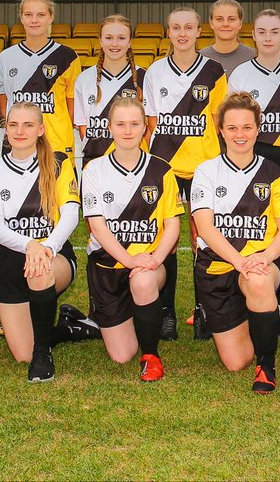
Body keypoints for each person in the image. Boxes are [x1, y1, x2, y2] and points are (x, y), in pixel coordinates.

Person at [190, 92, 280, 393]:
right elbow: (206, 228)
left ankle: (266, 365)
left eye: (247, 127)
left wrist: (265, 257)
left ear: (258, 129)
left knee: (260, 281)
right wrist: (238, 262)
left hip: (259, 265)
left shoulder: (274, 174)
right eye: (233, 128)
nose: (240, 135)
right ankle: (254, 318)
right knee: (236, 361)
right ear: (221, 130)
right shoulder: (206, 172)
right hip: (219, 268)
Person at [0, 101, 81, 382]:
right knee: (21, 352)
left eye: (28, 125)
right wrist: (30, 245)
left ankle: (43, 355)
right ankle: (70, 328)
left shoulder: (59, 163)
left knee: (39, 270)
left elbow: (71, 215)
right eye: (13, 125)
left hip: (53, 258)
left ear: (40, 129)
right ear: (5, 130)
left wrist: (46, 248)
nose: (20, 131)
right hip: (9, 264)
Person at [81, 96, 180, 382]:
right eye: (120, 124)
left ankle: (151, 357)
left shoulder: (162, 169)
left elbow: (172, 225)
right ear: (109, 127)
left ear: (145, 127)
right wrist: (128, 259)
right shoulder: (94, 170)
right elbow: (97, 227)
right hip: (107, 267)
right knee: (122, 354)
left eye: (134, 123)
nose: (127, 130)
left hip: (148, 265)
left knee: (143, 281)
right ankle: (87, 321)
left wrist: (153, 261)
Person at [144, 6, 226, 340]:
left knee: (204, 241)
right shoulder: (154, 72)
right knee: (167, 239)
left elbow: (221, 120)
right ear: (168, 32)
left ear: (198, 31)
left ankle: (204, 310)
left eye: (188, 27)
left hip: (205, 168)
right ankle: (167, 314)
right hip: (165, 169)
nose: (182, 33)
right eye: (175, 27)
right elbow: (151, 123)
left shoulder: (214, 71)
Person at [227, 8, 280, 343]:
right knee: (261, 234)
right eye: (262, 32)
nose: (268, 38)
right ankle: (254, 304)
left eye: (275, 31)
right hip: (256, 164)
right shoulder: (242, 73)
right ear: (254, 35)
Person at [0, 0, 82, 158]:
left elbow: (72, 106)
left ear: (51, 17)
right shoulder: (6, 57)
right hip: (18, 144)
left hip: (57, 145)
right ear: (21, 17)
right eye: (28, 14)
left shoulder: (68, 57)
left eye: (41, 14)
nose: (34, 20)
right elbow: (3, 100)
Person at [73, 14, 146, 167]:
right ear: (100, 40)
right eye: (108, 38)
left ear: (130, 41)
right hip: (94, 164)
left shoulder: (144, 78)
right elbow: (82, 126)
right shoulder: (84, 79)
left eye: (121, 38)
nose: (114, 44)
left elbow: (148, 126)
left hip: (133, 164)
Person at [200, 0, 255, 76]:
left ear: (240, 23)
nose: (225, 24)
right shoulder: (200, 58)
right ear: (211, 23)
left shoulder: (254, 56)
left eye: (231, 19)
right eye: (219, 19)